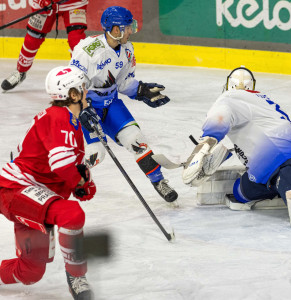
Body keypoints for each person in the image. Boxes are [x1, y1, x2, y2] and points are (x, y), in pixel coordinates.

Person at [0, 66, 96, 300]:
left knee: (30, 271)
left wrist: (83, 181)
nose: (87, 92)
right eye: (83, 88)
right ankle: (76, 276)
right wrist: (78, 181)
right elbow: (62, 166)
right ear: (72, 94)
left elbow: (68, 166)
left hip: (36, 196)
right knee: (71, 214)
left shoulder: (70, 121)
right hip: (16, 190)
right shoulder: (58, 117)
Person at [69, 6, 178, 203]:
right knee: (96, 154)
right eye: (127, 27)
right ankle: (64, 180)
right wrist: (82, 110)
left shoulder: (127, 50)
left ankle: (159, 181)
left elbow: (123, 83)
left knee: (138, 142)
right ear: (115, 29)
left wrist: (140, 90)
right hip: (88, 107)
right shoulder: (87, 51)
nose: (131, 31)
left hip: (112, 105)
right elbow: (72, 86)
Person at [182, 66, 291, 227]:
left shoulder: (229, 97)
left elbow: (219, 119)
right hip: (283, 159)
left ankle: (285, 185)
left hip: (281, 164)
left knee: (249, 189)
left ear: (228, 84)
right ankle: (280, 185)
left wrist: (203, 147)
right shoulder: (263, 99)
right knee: (240, 191)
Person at [1, 0, 88, 92]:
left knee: (76, 40)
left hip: (73, 3)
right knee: (32, 39)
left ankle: (80, 75)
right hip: (44, 4)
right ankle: (20, 72)